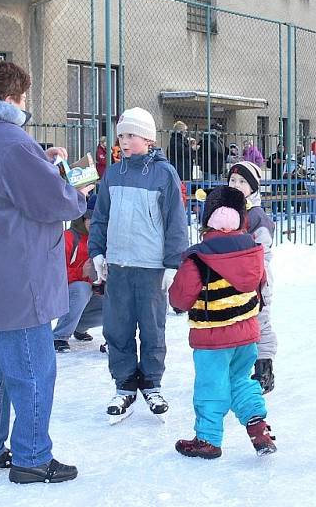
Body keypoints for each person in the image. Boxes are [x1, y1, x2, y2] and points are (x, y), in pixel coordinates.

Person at [0, 61, 87, 484]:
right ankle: (32, 456)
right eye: (24, 97)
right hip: (17, 280)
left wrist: (39, 160)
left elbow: (2, 182)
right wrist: (76, 191)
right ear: (10, 99)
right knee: (31, 371)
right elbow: (54, 202)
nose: (26, 105)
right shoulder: (12, 141)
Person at [88, 107, 188, 423]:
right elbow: (100, 217)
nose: (125, 141)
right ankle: (125, 385)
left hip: (150, 267)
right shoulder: (113, 174)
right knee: (117, 328)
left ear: (147, 138)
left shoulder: (163, 174)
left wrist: (173, 263)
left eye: (131, 135)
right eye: (121, 135)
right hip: (118, 265)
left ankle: (152, 383)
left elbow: (176, 221)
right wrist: (97, 252)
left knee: (152, 328)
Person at [169, 185, 276, 459]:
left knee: (211, 386)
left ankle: (207, 439)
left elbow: (180, 299)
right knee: (240, 379)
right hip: (247, 334)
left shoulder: (199, 257)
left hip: (212, 337)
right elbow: (260, 289)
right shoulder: (253, 252)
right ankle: (257, 425)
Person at [227, 161, 277, 393]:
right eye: (233, 180)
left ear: (254, 188)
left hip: (257, 280)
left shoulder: (256, 216)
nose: (236, 185)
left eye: (243, 182)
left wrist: (255, 275)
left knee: (259, 322)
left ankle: (264, 367)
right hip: (230, 279)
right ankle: (237, 368)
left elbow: (263, 251)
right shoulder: (225, 212)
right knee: (235, 322)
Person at [53, 199, 104, 353]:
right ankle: (59, 336)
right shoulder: (68, 237)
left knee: (114, 300)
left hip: (86, 295)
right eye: (91, 219)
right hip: (63, 295)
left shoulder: (103, 242)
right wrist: (81, 273)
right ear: (83, 218)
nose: (95, 224)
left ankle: (79, 327)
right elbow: (53, 274)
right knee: (82, 288)